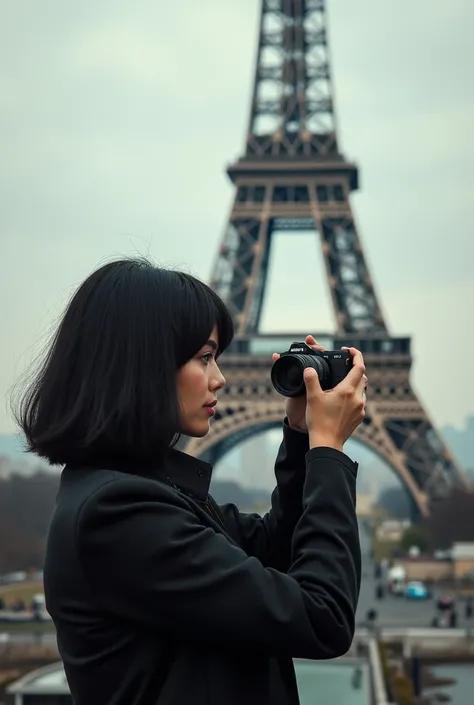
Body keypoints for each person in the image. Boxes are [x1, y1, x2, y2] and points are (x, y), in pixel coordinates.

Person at [14, 258, 367, 705]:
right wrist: (328, 450)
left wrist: (300, 437)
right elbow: (322, 619)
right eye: (204, 357)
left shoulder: (141, 494)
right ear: (143, 365)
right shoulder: (119, 515)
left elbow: (277, 552)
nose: (219, 378)